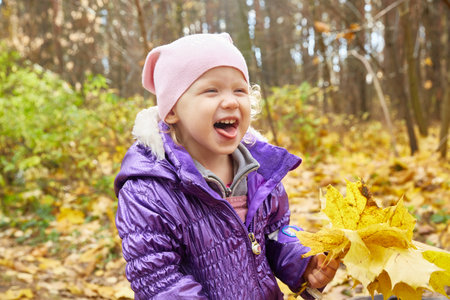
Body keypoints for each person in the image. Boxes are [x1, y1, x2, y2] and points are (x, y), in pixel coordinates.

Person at [114, 32, 338, 300]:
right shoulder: (150, 191)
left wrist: (303, 263)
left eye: (240, 90)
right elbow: (158, 281)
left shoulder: (260, 172)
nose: (231, 101)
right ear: (171, 110)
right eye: (212, 90)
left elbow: (275, 234)